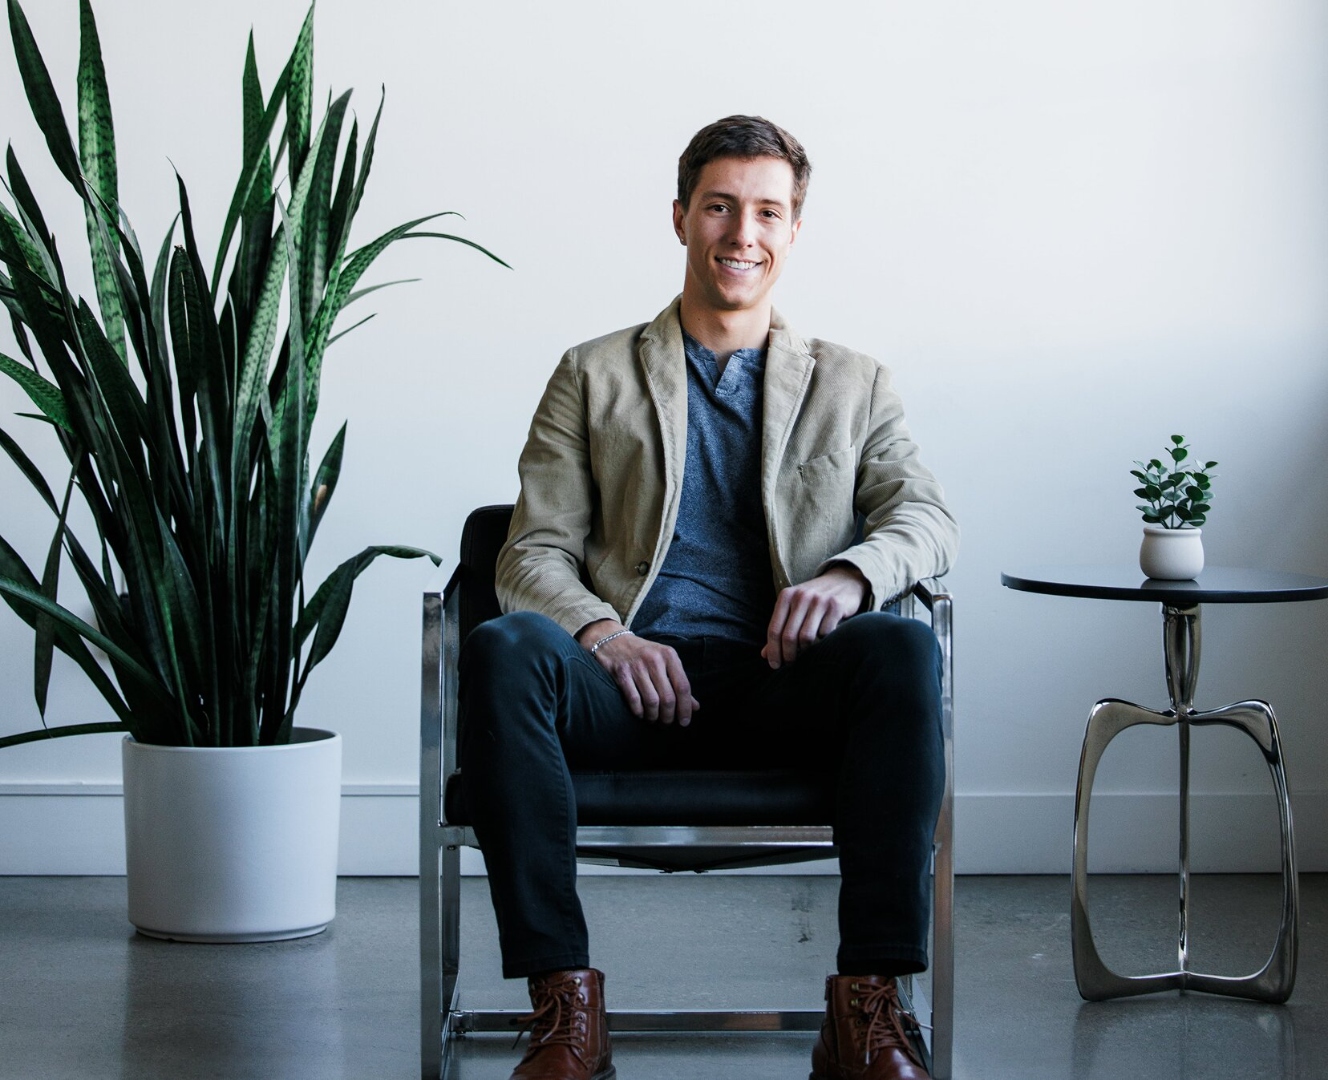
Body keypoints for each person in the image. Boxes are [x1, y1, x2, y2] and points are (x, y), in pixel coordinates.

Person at [458, 115, 959, 1080]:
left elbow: (928, 519)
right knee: (503, 646)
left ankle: (867, 1007)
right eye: (720, 207)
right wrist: (604, 635)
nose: (743, 233)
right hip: (626, 689)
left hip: (782, 685)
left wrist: (850, 575)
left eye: (767, 211)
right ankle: (565, 1006)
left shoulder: (854, 383)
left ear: (794, 230)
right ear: (681, 217)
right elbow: (530, 554)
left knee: (901, 646)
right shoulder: (592, 373)